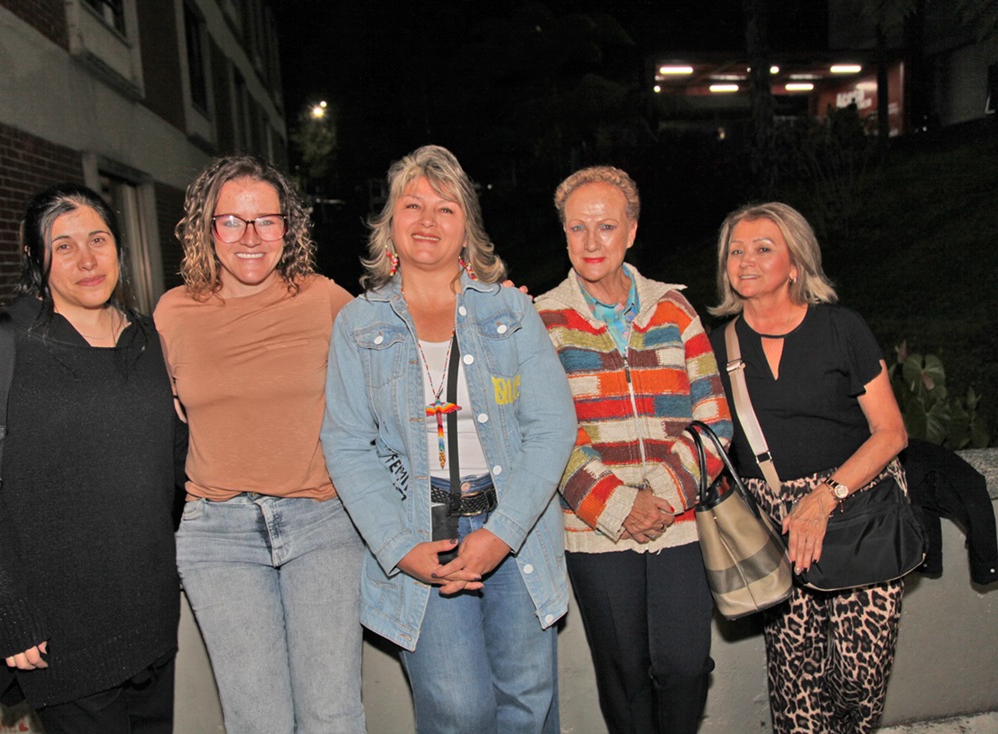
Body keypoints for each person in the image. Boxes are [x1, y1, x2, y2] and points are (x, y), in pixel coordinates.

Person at [320, 145, 577, 734]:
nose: (428, 220)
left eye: (446, 207)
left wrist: (500, 535)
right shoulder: (358, 325)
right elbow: (347, 444)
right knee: (457, 709)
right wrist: (398, 547)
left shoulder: (511, 309)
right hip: (418, 529)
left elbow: (553, 426)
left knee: (528, 701)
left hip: (514, 520)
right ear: (390, 226)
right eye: (412, 205)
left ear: (467, 233)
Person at [0, 183, 185, 733]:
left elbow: (167, 468)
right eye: (64, 245)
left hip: (150, 621)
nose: (88, 259)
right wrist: (8, 613)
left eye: (98, 238)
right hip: (60, 633)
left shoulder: (147, 341)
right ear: (33, 257)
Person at [153, 155, 365, 734]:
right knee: (256, 720)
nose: (250, 238)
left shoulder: (326, 299)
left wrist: (478, 307)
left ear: (287, 228)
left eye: (266, 221)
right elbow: (155, 417)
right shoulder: (172, 313)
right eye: (232, 221)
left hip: (322, 522)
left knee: (332, 712)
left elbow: (401, 362)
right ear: (207, 228)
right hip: (217, 533)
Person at [534, 166, 732, 734]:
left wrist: (663, 497)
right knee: (623, 675)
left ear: (632, 232)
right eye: (578, 228)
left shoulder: (674, 309)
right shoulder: (542, 320)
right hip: (596, 529)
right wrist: (618, 506)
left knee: (684, 665)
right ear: (564, 234)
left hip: (680, 521)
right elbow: (546, 432)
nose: (592, 242)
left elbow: (714, 418)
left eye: (605, 226)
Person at [706, 202, 910, 733]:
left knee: (859, 675)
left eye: (763, 248)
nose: (745, 260)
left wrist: (824, 498)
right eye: (736, 250)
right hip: (772, 519)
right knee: (795, 678)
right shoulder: (714, 343)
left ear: (796, 263)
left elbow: (891, 432)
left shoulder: (842, 328)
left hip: (854, 508)